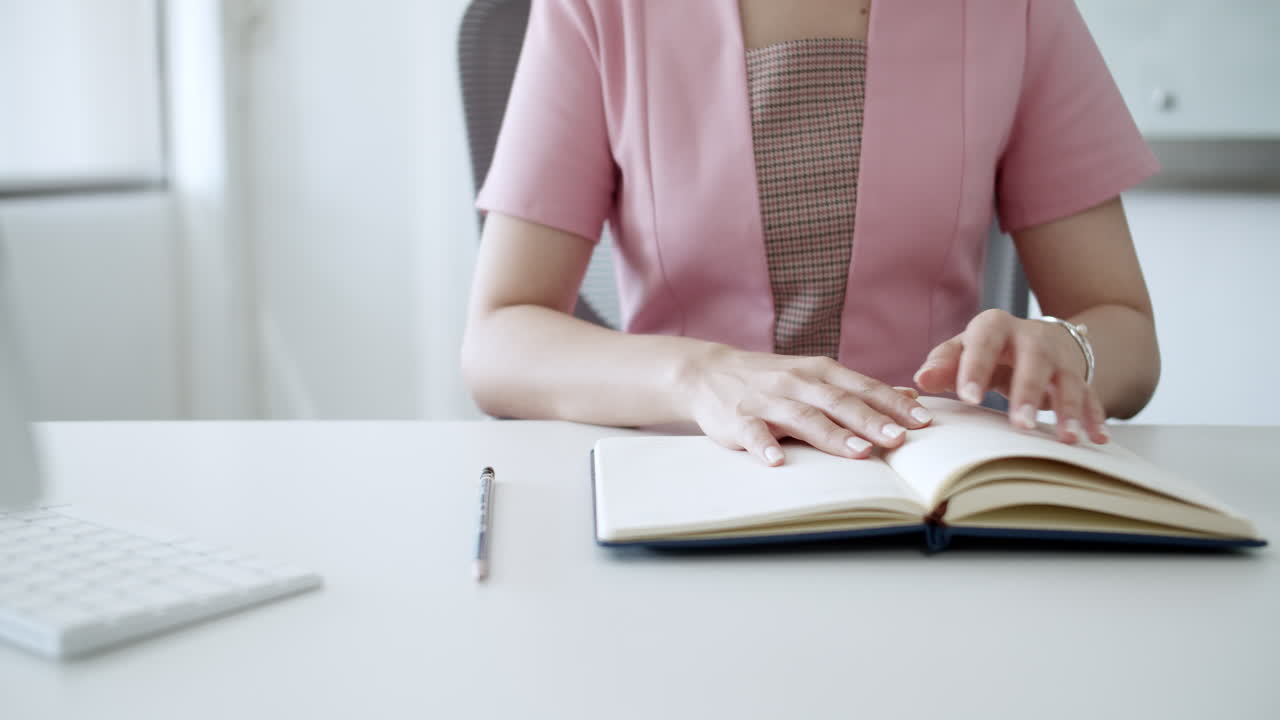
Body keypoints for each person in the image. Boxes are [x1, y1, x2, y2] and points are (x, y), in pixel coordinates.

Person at [461, 0, 1161, 466]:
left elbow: (1126, 332)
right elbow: (498, 340)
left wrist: (1065, 347)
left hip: (922, 491)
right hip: (687, 479)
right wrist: (696, 377)